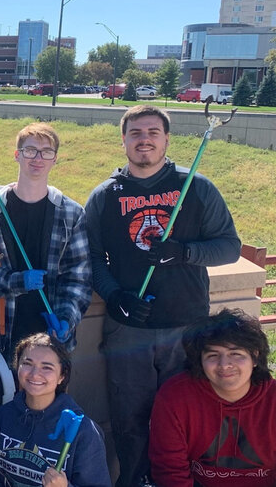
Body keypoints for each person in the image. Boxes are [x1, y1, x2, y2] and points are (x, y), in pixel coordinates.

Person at [84, 105, 241, 487]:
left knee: (184, 415)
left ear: (167, 139)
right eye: (136, 133)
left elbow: (229, 248)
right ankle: (135, 480)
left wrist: (185, 252)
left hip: (186, 326)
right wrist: (113, 293)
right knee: (130, 418)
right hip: (128, 330)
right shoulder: (105, 195)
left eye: (153, 132)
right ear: (123, 140)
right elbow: (91, 256)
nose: (145, 140)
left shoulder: (196, 187)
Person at [0, 122, 91, 360]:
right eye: (30, 150)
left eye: (47, 152)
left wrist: (66, 318)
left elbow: (79, 278)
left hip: (51, 342)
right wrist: (17, 282)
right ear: (17, 155)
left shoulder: (72, 214)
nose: (38, 158)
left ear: (55, 159)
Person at [149, 309, 276, 487]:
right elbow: (169, 470)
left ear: (255, 357)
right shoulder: (174, 396)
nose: (224, 365)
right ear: (199, 360)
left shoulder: (272, 399)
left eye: (235, 354)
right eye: (213, 355)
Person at [0, 333, 111, 487]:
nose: (35, 374)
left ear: (62, 375)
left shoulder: (84, 432)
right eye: (27, 363)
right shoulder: (0, 418)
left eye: (46, 367)